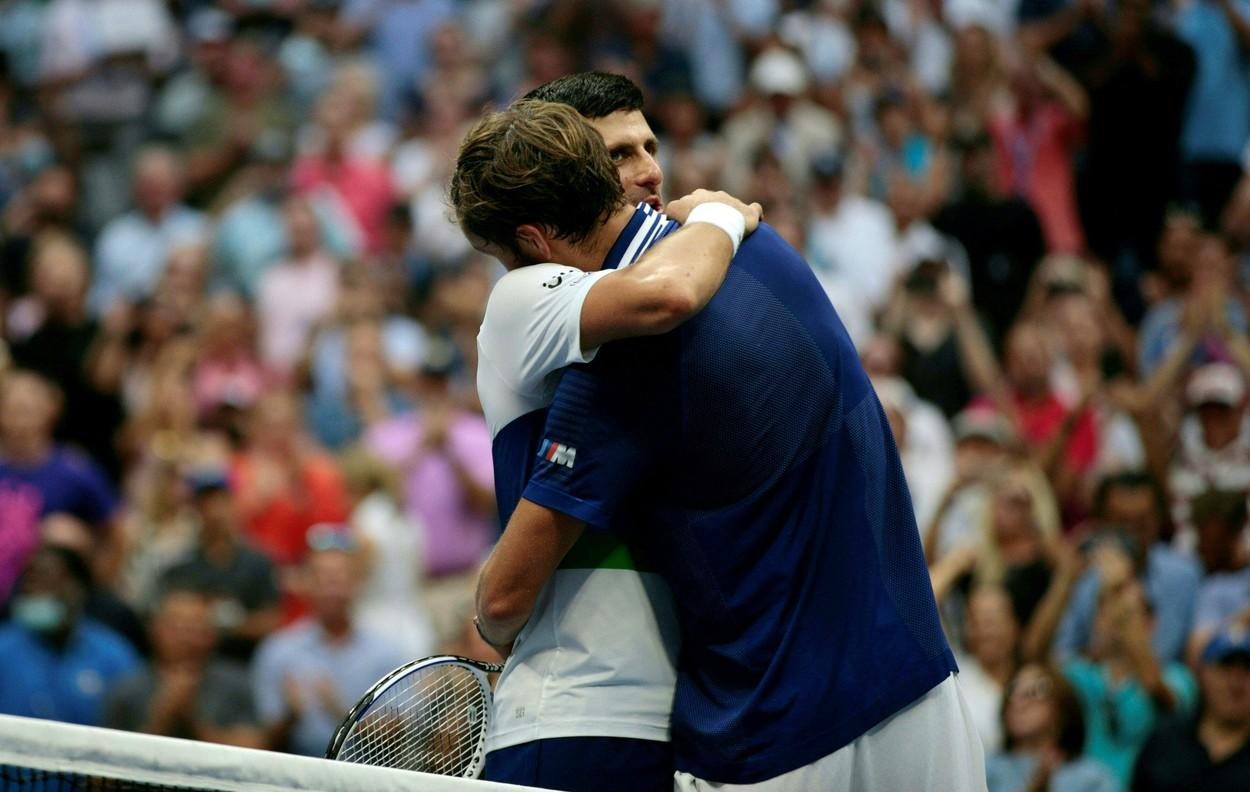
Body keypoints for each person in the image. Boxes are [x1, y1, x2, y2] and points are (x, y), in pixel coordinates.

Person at [454, 100, 984, 790]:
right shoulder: (763, 243)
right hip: (920, 684)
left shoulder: (616, 366)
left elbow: (506, 595)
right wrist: (720, 215)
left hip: (778, 728)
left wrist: (487, 612)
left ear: (535, 242)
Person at [469, 72, 756, 791]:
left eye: (651, 146)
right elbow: (669, 291)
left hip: (690, 724)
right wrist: (720, 217)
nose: (650, 171)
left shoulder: (669, 319)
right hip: (575, 715)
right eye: (617, 156)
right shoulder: (524, 295)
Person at [250, 533, 407, 757]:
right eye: (321, 578)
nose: (331, 588)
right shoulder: (277, 650)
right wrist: (291, 717)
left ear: (358, 583)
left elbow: (398, 736)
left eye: (340, 578)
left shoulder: (386, 654)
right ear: (305, 584)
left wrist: (341, 713)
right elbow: (264, 740)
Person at [103, 585, 264, 747]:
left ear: (213, 635)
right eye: (176, 628)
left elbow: (252, 751)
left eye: (196, 629)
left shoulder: (236, 683)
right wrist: (163, 716)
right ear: (154, 630)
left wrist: (191, 719)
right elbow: (106, 759)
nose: (185, 638)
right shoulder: (127, 687)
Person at [0, 545, 140, 725]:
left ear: (77, 589)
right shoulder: (3, 647)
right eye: (30, 583)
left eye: (47, 581)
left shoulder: (114, 655)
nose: (35, 591)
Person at [159, 469, 281, 662]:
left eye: (220, 500)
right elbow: (167, 622)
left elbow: (272, 622)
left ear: (232, 503)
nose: (214, 510)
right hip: (194, 662)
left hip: (245, 662)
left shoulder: (258, 563)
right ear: (196, 509)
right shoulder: (181, 567)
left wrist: (227, 623)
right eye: (205, 503)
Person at [1132, 624, 1250, 792]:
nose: (1236, 684)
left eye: (1247, 671)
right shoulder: (1166, 739)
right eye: (1226, 668)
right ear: (1203, 674)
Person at [986, 663, 1118, 792]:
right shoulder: (987, 770)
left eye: (1034, 692)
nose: (1017, 702)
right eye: (1012, 690)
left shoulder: (1091, 780)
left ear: (1062, 707)